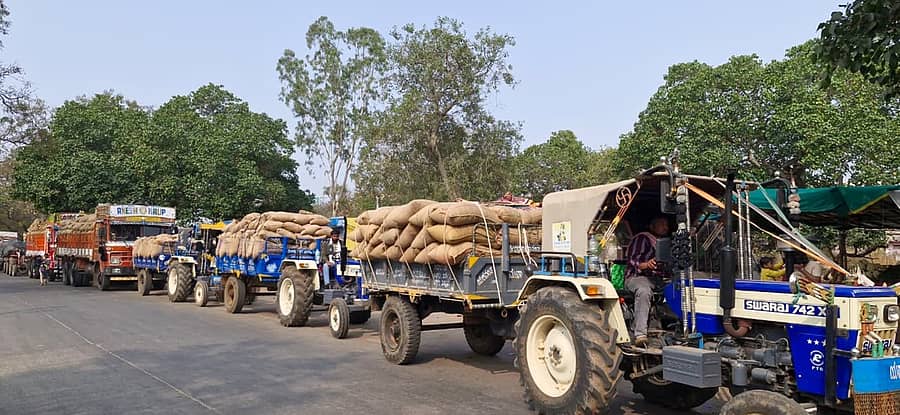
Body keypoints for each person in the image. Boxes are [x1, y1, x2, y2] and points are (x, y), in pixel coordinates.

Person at [624, 216, 670, 346]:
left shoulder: (665, 243)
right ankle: (640, 334)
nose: (665, 227)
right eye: (662, 224)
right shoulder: (642, 238)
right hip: (637, 277)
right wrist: (647, 264)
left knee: (678, 288)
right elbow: (633, 261)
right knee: (644, 290)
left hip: (658, 279)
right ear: (652, 226)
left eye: (666, 224)